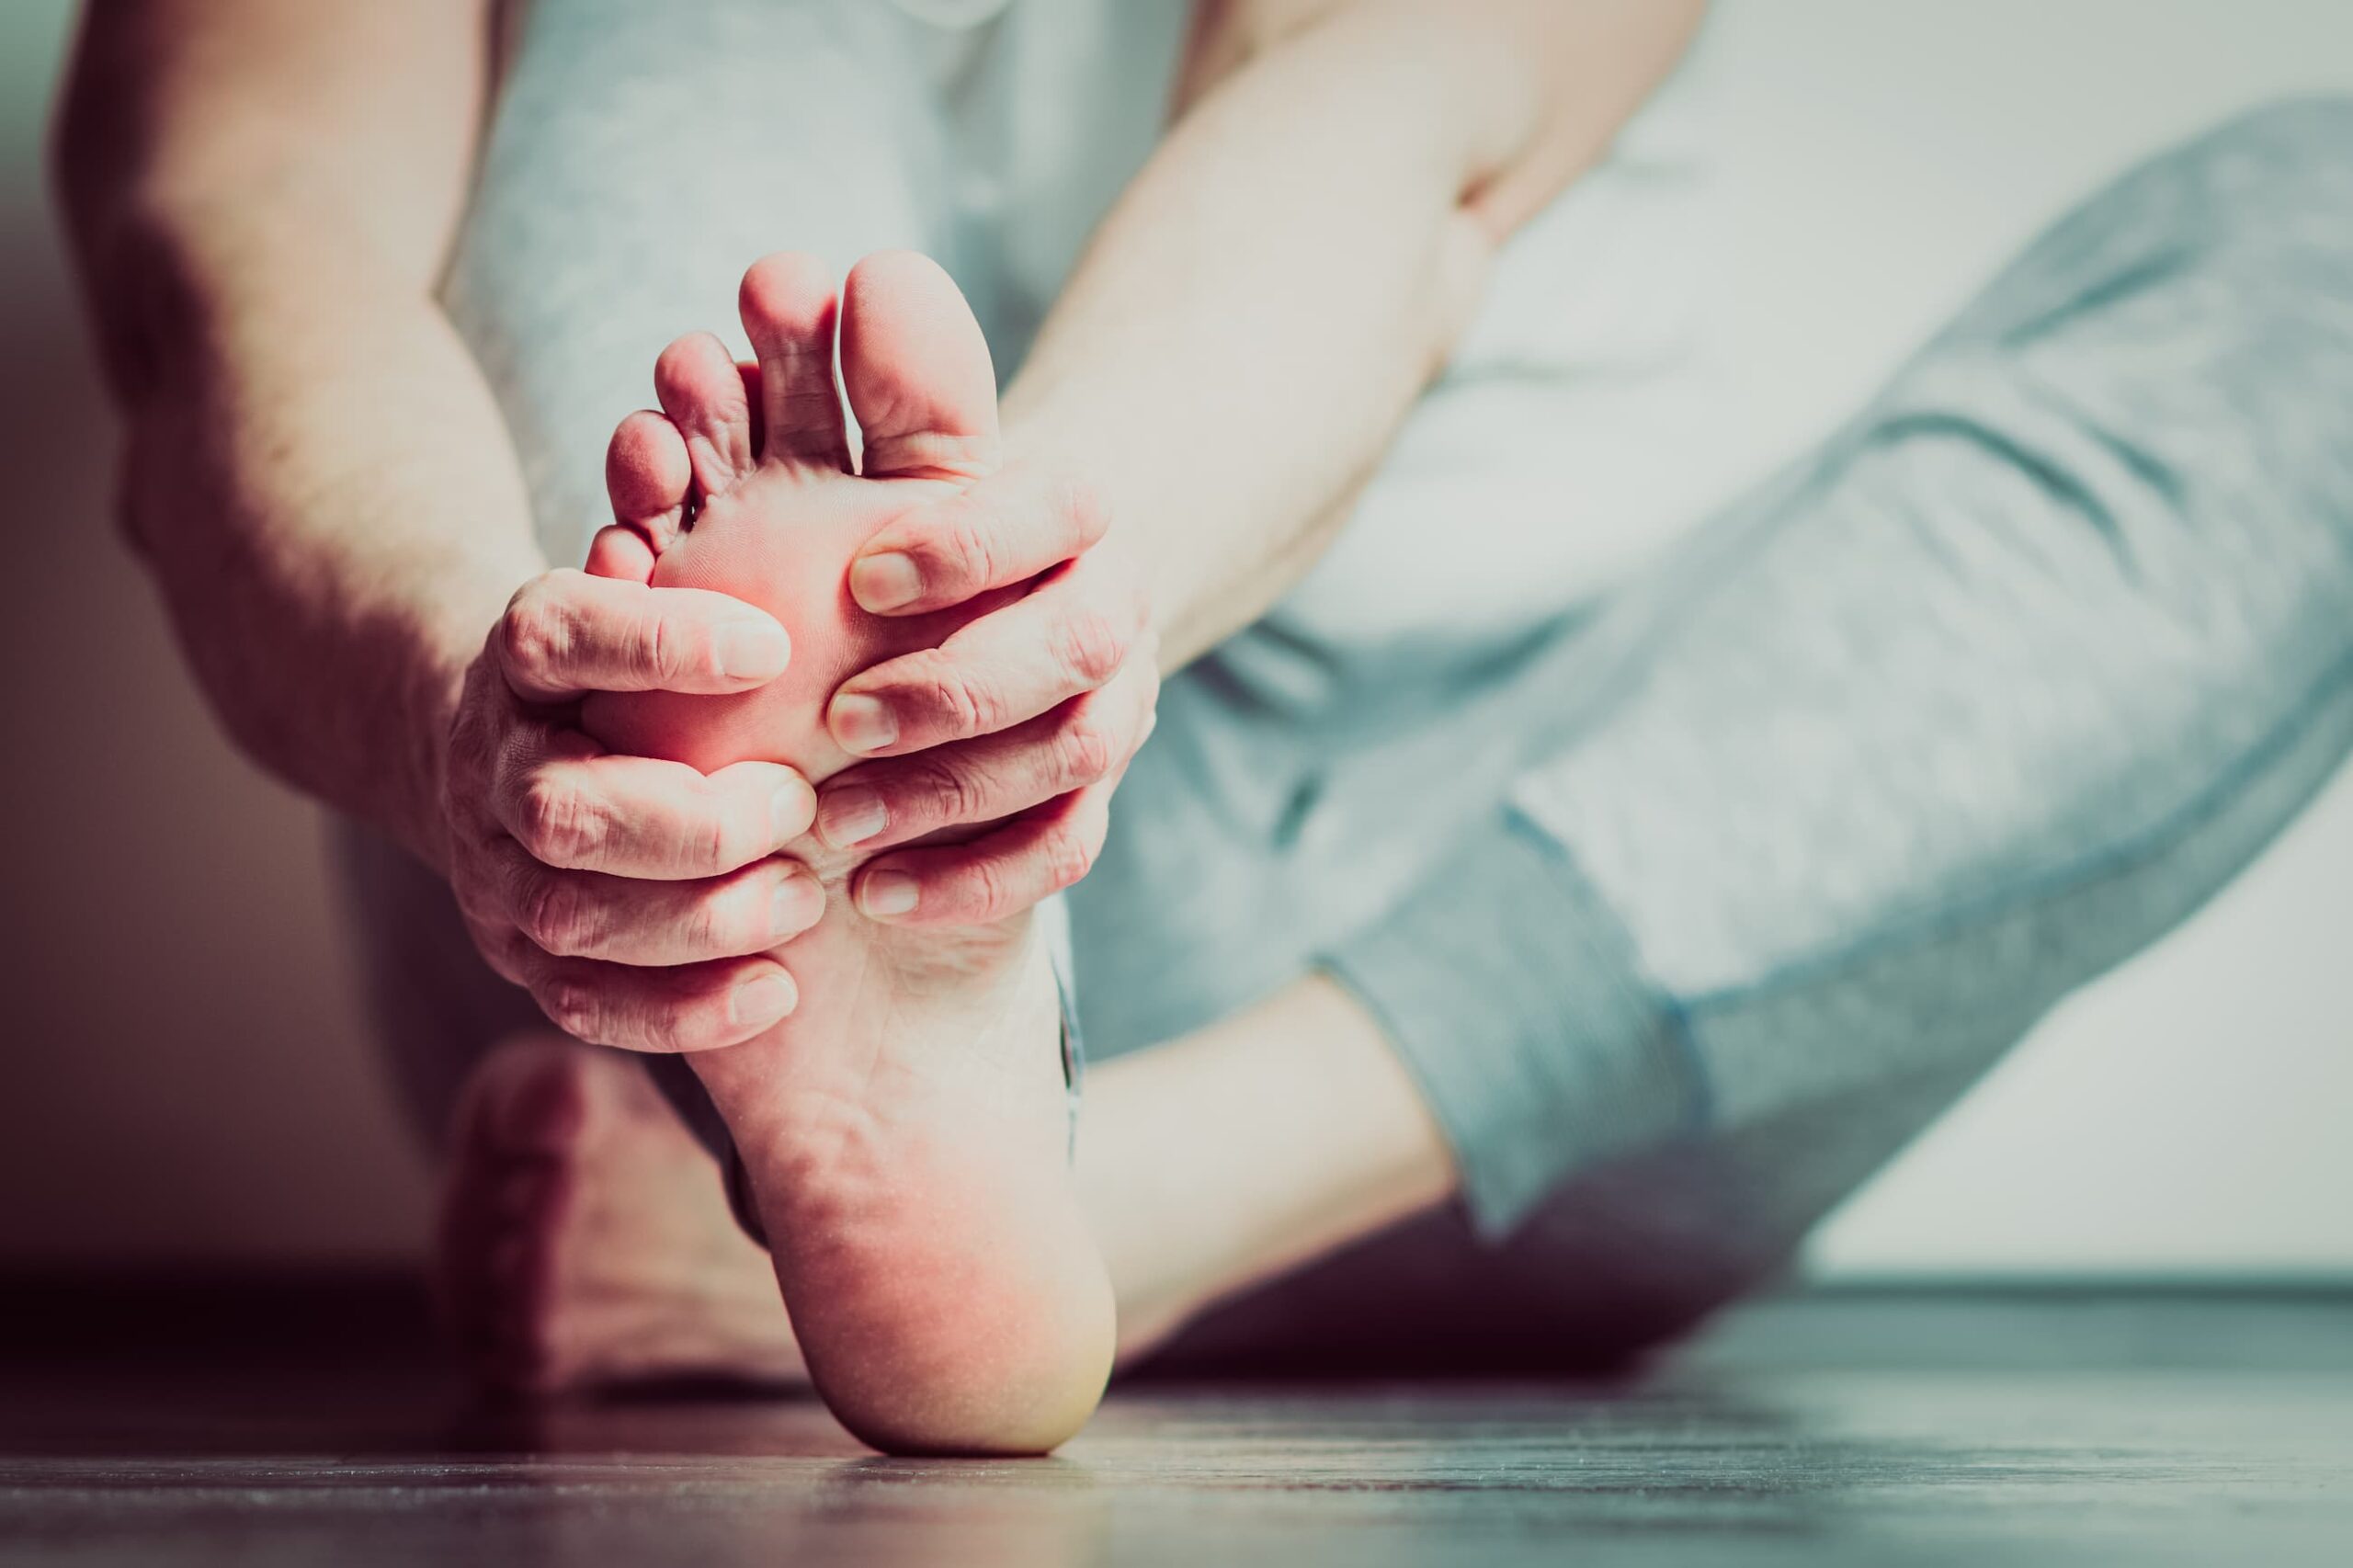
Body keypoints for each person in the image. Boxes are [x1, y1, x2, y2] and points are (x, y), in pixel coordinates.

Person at [53, 0, 2353, 1455]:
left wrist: (1024, 633)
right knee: (698, 32)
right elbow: (237, 259)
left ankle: (1100, 1173)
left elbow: (1372, 122)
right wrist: (487, 704)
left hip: (1515, 948)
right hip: (651, 954)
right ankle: (841, 914)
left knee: (2328, 250)